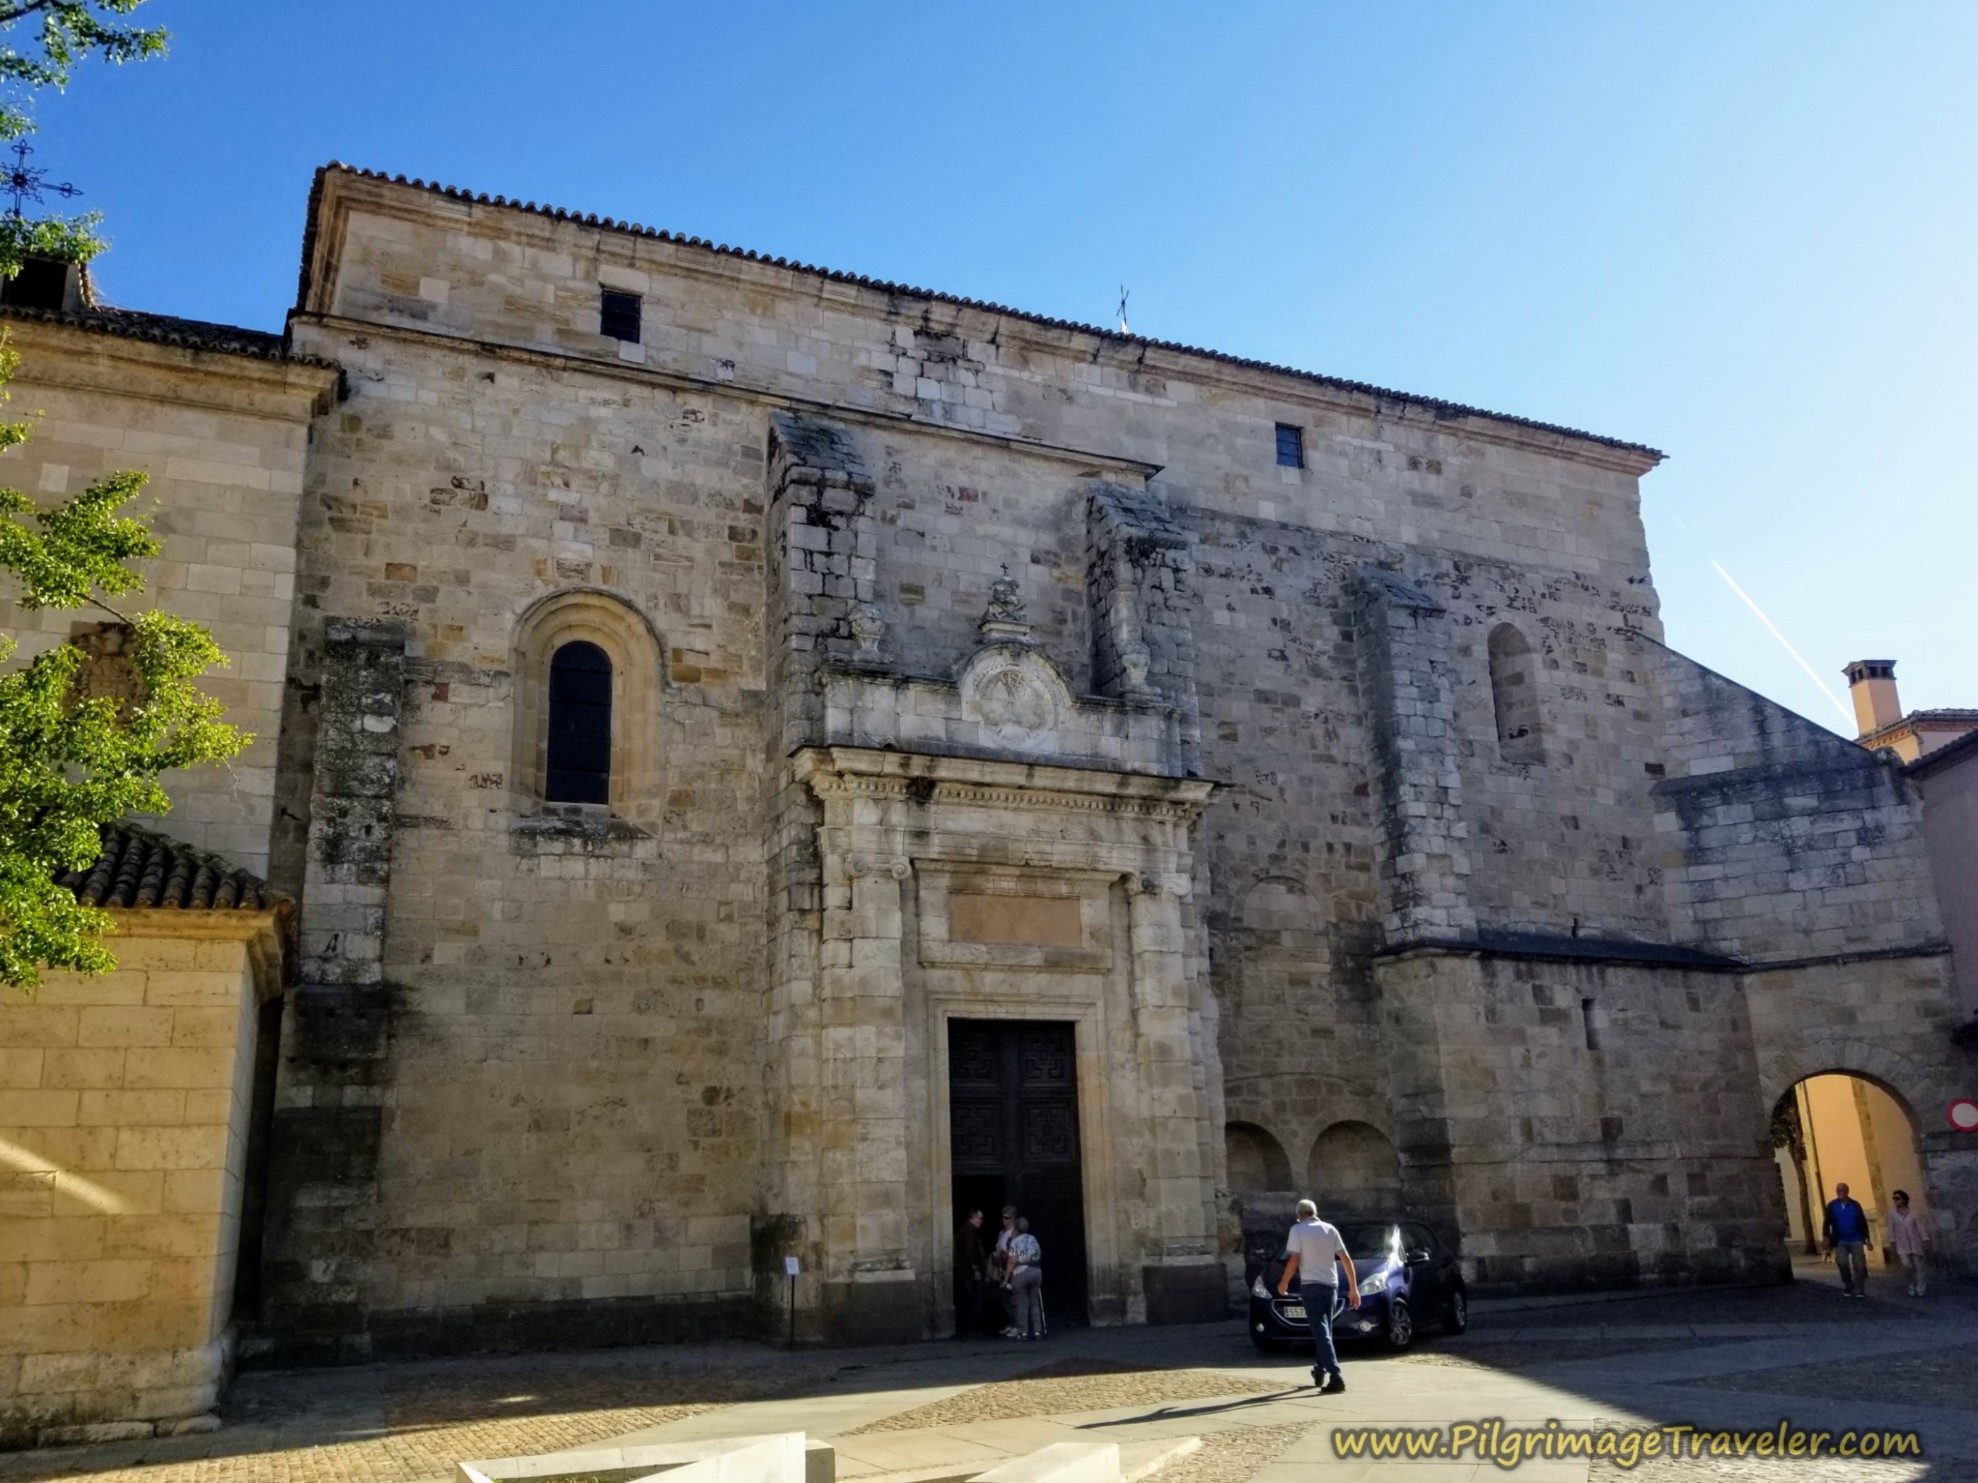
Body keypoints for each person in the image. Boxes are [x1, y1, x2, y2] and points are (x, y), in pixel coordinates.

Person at [1276, 1198, 1360, 1392]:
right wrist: (1353, 1288)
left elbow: (1294, 1259)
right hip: (1331, 1285)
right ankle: (1320, 1368)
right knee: (1325, 1331)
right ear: (1314, 1212)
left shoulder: (1297, 1230)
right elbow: (1345, 1258)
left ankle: (1336, 1375)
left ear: (1299, 1216)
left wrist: (1284, 1281)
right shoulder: (1330, 1229)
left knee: (1320, 1332)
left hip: (1311, 1285)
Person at [1822, 1182, 1873, 1298]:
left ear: (1847, 1191)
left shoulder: (1855, 1205)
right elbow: (1827, 1223)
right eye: (1838, 1190)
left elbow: (1862, 1222)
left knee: (1859, 1266)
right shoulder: (1832, 1205)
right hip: (1840, 1240)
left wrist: (1867, 1238)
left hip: (1856, 1239)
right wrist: (1826, 1237)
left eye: (1842, 1190)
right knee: (1842, 1263)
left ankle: (1860, 1289)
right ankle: (1848, 1283)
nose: (1840, 1192)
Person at [1004, 1215, 1045, 1340]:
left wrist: (1006, 1279)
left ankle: (1024, 1332)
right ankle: (1038, 1331)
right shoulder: (1033, 1239)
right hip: (1036, 1271)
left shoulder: (1015, 1241)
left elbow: (1011, 1261)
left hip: (1021, 1272)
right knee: (1034, 1303)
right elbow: (1038, 1254)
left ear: (1016, 1229)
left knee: (1022, 1303)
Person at [1886, 1189, 1930, 1298]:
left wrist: (1925, 1239)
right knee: (1906, 1266)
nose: (1895, 1200)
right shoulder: (1892, 1214)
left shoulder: (1913, 1213)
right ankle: (1910, 1284)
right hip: (1902, 1244)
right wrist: (1892, 1242)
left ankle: (1920, 1287)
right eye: (1894, 1198)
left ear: (1904, 1200)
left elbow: (1919, 1227)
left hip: (1915, 1243)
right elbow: (1891, 1229)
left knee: (1919, 1267)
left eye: (1897, 1198)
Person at [954, 1207, 988, 1336]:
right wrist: (975, 1269)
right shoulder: (969, 1233)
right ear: (973, 1218)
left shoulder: (966, 1231)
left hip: (965, 1272)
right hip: (969, 1273)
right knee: (974, 1299)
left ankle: (970, 1327)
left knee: (971, 1299)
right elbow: (970, 1253)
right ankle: (971, 1328)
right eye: (980, 1218)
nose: (981, 1221)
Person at [992, 1206, 1020, 1337]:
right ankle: (1010, 1323)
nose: (1004, 1220)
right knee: (1005, 1298)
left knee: (1013, 1298)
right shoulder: (1001, 1233)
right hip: (1002, 1268)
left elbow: (1014, 1254)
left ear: (1013, 1219)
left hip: (1012, 1269)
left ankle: (1017, 1325)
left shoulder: (1014, 1234)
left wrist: (1004, 1255)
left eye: (1006, 1217)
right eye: (1003, 1217)